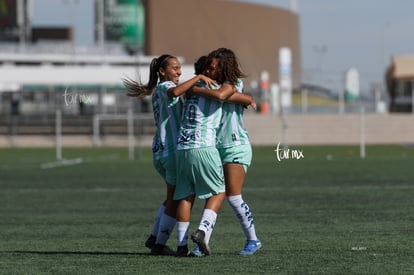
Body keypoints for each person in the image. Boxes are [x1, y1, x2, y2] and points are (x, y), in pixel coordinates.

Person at [123, 54, 216, 256]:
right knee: (181, 197)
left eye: (180, 67)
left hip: (161, 150)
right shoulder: (165, 87)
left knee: (171, 198)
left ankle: (155, 238)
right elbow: (175, 92)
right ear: (162, 72)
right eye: (175, 68)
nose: (179, 71)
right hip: (172, 150)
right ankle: (168, 245)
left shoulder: (159, 90)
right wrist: (199, 77)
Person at [174, 52, 256, 257]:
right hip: (214, 145)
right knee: (214, 194)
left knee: (232, 196)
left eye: (213, 67)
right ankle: (200, 244)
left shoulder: (230, 82)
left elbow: (228, 96)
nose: (210, 71)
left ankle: (253, 239)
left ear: (224, 67)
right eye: (208, 67)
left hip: (235, 144)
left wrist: (195, 89)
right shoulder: (212, 84)